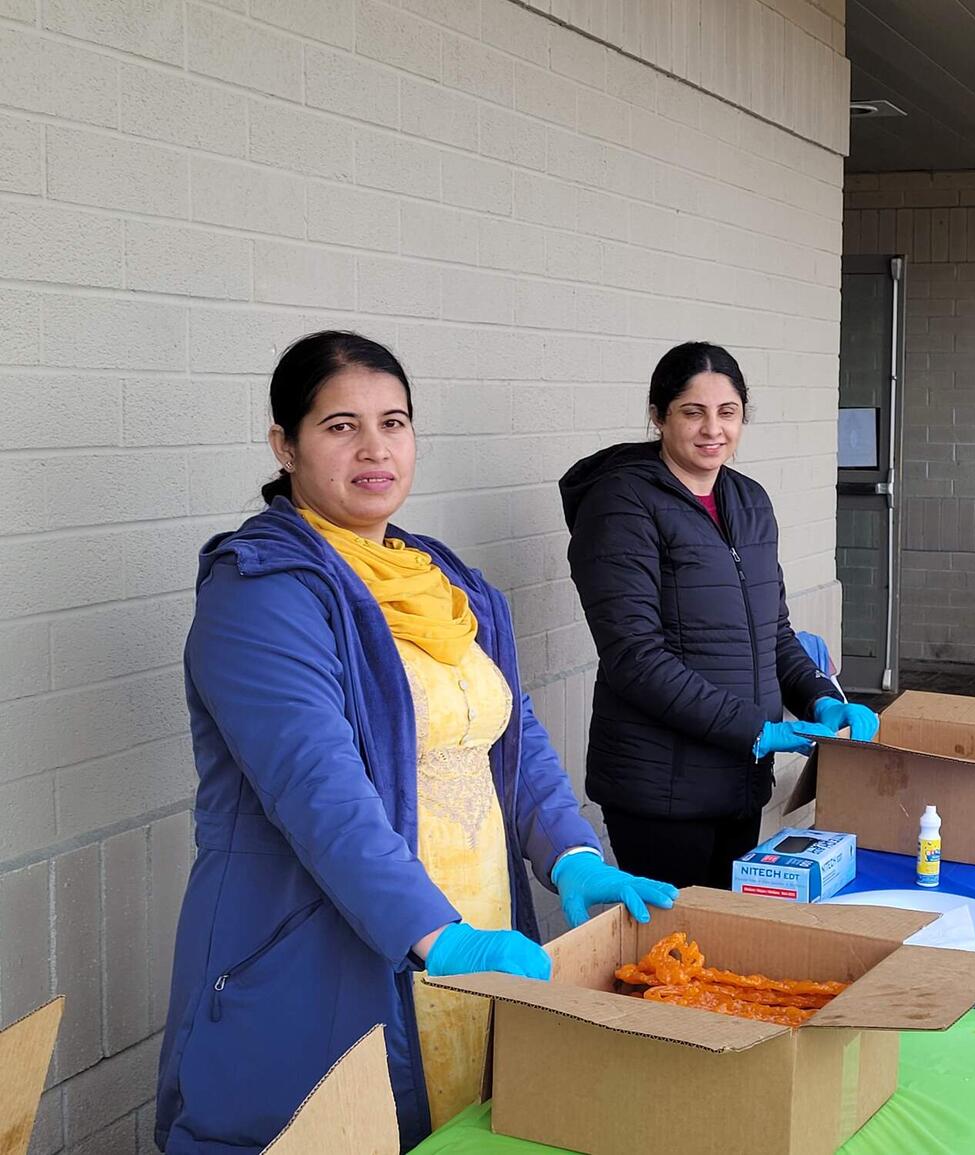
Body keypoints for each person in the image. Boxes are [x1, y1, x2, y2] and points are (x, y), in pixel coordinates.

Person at [154, 332, 677, 1153]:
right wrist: (438, 935)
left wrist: (571, 852)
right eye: (341, 426)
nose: (375, 448)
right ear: (285, 445)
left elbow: (506, 734)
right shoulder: (259, 591)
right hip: (332, 947)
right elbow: (318, 791)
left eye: (393, 422)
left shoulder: (438, 577)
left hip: (473, 924)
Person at [560, 341, 880, 889]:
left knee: (728, 931)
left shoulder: (749, 500)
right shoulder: (620, 504)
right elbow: (635, 659)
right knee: (675, 938)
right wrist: (758, 730)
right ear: (658, 416)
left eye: (727, 412)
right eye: (693, 412)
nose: (713, 429)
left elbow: (774, 633)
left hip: (739, 780)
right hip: (660, 790)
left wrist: (819, 696)